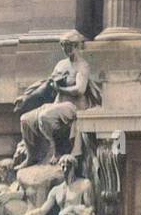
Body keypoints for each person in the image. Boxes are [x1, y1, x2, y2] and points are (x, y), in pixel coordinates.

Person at [13, 31, 102, 166]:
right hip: (58, 104)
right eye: (64, 46)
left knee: (45, 116)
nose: (66, 49)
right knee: (25, 120)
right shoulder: (61, 65)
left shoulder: (82, 66)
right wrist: (26, 97)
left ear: (77, 46)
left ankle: (57, 150)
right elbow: (47, 85)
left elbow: (80, 89)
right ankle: (32, 156)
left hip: (74, 107)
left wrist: (60, 89)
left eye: (69, 46)